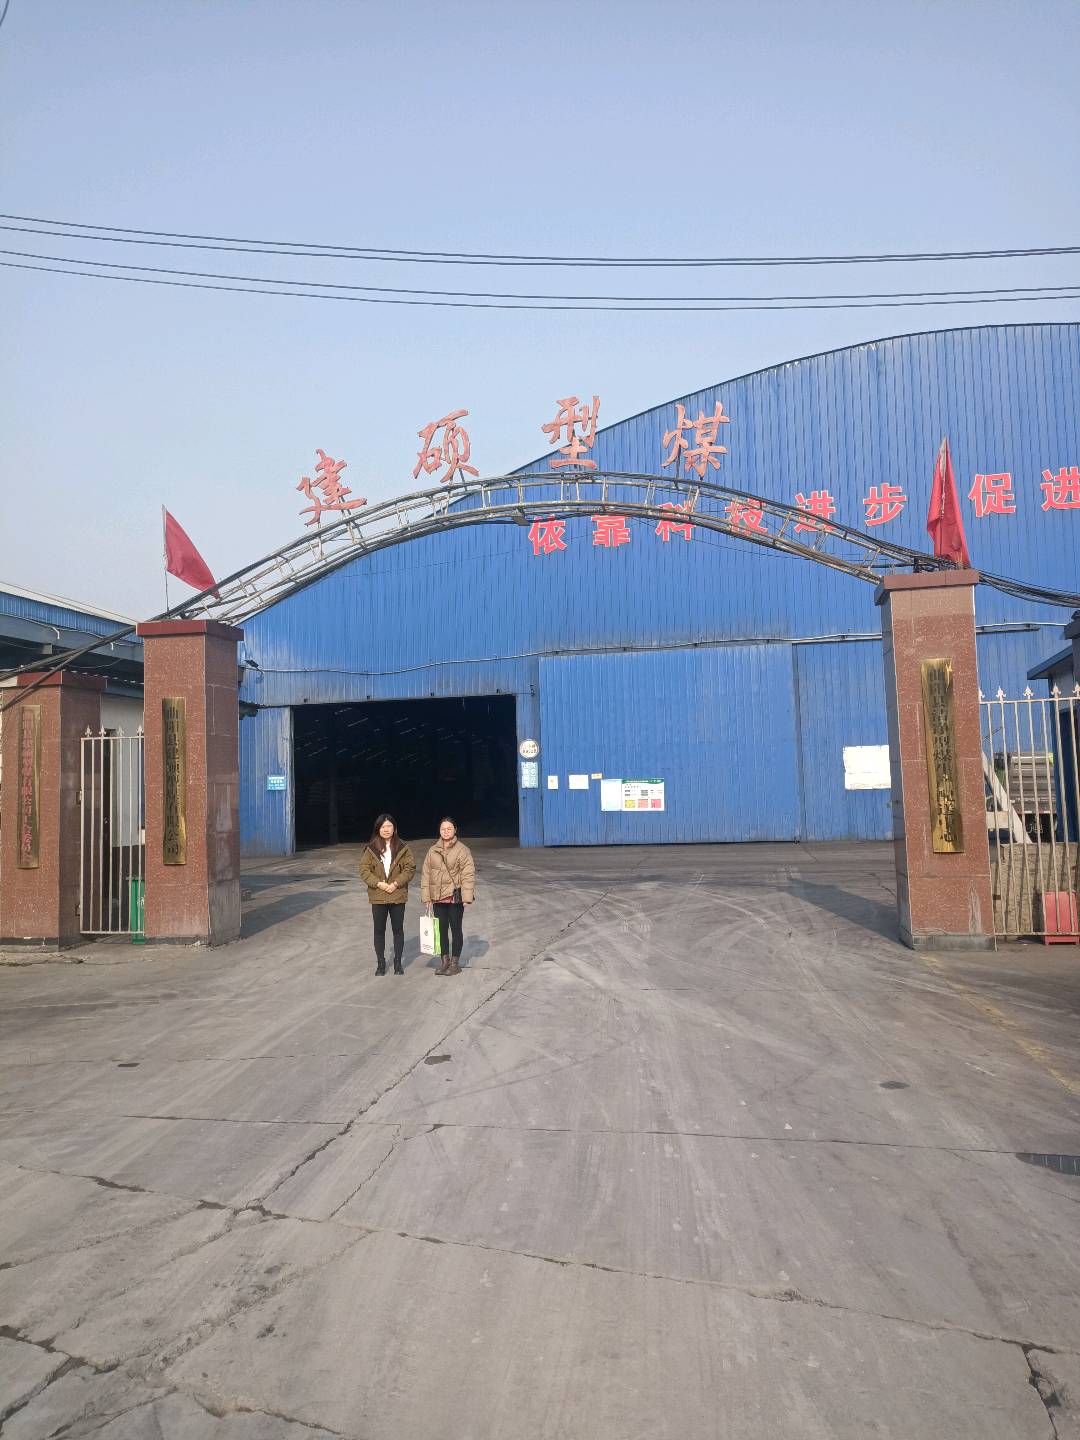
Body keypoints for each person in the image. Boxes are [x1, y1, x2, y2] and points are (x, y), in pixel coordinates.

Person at [359, 814, 416, 976]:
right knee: (379, 930)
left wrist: (396, 883)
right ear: (378, 829)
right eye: (383, 826)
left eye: (389, 826)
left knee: (398, 930)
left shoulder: (403, 847)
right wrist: (378, 883)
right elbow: (364, 870)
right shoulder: (371, 848)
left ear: (394, 828)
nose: (386, 829)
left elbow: (410, 869)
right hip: (378, 895)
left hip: (397, 895)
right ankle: (381, 963)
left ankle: (398, 962)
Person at [421, 817, 476, 977]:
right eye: (443, 829)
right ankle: (444, 961)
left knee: (456, 929)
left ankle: (455, 963)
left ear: (455, 830)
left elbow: (468, 874)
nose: (446, 831)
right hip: (437, 897)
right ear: (439, 830)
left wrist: (466, 897)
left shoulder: (462, 850)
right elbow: (426, 874)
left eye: (449, 829)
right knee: (441, 930)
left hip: (453, 897)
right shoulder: (432, 850)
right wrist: (427, 897)